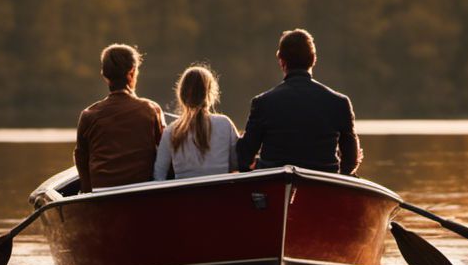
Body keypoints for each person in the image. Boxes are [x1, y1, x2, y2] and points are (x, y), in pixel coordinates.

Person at [236, 29, 362, 175]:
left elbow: (244, 158)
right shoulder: (340, 103)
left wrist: (254, 165)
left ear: (281, 61)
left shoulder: (262, 103)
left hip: (273, 182)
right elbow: (351, 160)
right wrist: (343, 176)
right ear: (314, 59)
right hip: (324, 184)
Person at [74, 44, 165, 193]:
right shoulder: (151, 109)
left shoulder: (88, 115)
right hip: (143, 193)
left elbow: (81, 159)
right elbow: (164, 153)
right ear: (132, 72)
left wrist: (86, 194)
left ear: (104, 75)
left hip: (100, 195)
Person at [153, 65, 239, 180]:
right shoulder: (224, 124)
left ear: (181, 94)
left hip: (186, 196)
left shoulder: (171, 131)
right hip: (220, 194)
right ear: (209, 94)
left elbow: (159, 174)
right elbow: (235, 163)